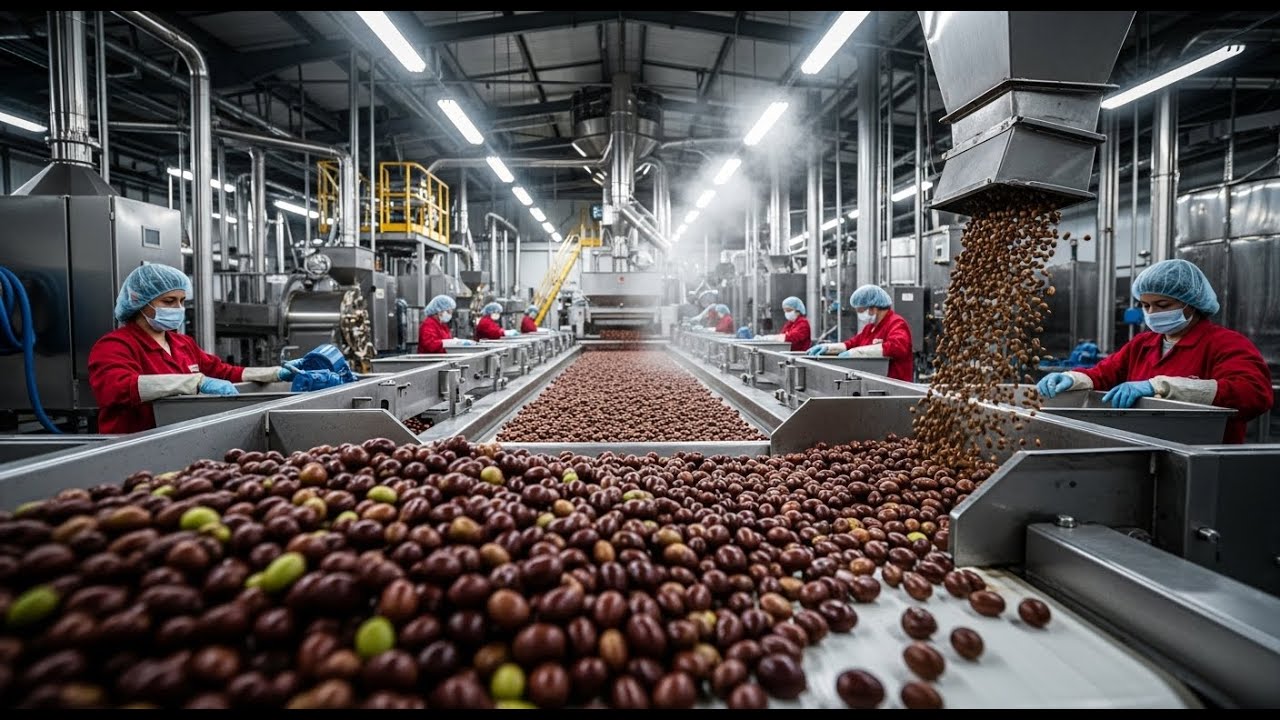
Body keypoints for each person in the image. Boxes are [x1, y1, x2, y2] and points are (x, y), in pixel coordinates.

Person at [1037, 259, 1272, 443]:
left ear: (1192, 303)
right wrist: (1072, 378)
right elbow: (1103, 374)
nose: (1152, 313)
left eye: (1163, 305)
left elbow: (1254, 394)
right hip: (1143, 449)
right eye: (1145, 305)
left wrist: (1161, 387)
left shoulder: (1224, 343)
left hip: (1203, 458)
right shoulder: (1144, 343)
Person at [88, 264, 298, 434]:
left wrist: (276, 373)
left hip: (180, 436)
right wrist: (196, 382)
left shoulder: (182, 343)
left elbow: (223, 372)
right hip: (132, 444)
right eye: (169, 301)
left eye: (181, 301)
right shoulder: (115, 345)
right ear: (139, 302)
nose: (178, 309)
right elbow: (117, 388)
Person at [807, 284, 914, 382]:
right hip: (875, 383)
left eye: (860, 310)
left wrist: (856, 353)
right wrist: (829, 348)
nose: (859, 314)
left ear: (873, 308)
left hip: (895, 384)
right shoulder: (870, 328)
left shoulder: (896, 323)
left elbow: (897, 347)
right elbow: (852, 343)